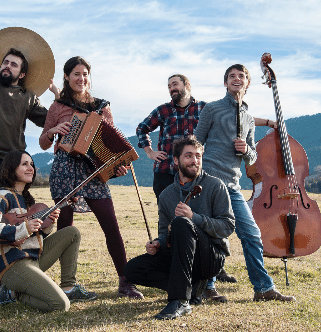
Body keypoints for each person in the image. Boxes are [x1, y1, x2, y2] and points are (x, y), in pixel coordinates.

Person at [136, 73, 276, 294]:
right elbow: (142, 128)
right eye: (169, 84)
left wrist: (266, 124)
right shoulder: (163, 110)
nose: (172, 87)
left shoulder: (204, 108)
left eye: (175, 83)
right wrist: (150, 152)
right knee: (177, 226)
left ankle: (238, 281)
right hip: (169, 174)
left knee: (210, 226)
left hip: (207, 177)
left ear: (187, 86)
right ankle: (188, 276)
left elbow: (238, 118)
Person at [39, 56, 143, 299]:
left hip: (93, 172)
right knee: (65, 227)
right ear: (67, 77)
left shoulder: (102, 106)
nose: (81, 78)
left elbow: (111, 145)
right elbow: (44, 143)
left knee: (111, 227)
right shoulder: (57, 106)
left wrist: (118, 167)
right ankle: (67, 284)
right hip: (64, 170)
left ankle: (125, 281)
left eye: (85, 73)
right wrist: (53, 131)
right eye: (76, 73)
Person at [195, 64, 296, 302]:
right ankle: (208, 288)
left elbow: (252, 158)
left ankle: (263, 289)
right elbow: (197, 143)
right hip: (209, 181)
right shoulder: (212, 109)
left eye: (241, 76)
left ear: (247, 83)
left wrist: (247, 149)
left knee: (251, 235)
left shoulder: (249, 118)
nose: (236, 79)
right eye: (232, 76)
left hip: (233, 185)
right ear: (225, 83)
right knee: (213, 236)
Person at [0, 39, 51, 297]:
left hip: (9, 167)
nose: (7, 66)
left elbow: (50, 122)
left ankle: (0, 285)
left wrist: (60, 99)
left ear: (22, 73)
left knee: (6, 224)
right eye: (5, 62)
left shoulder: (29, 98)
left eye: (13, 64)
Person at [124, 136, 235, 320]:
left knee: (182, 223)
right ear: (176, 160)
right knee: (132, 269)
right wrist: (158, 244)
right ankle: (189, 288)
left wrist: (194, 217)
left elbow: (228, 226)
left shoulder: (215, 186)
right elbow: (163, 231)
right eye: (189, 156)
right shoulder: (167, 195)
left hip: (209, 257)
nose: (195, 161)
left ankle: (180, 300)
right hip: (179, 257)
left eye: (198, 156)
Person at [0, 150, 96, 311]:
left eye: (32, 164)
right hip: (13, 265)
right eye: (24, 164)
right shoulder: (1, 196)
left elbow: (35, 235)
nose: (31, 168)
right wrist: (22, 229)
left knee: (72, 233)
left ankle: (68, 288)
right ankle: (13, 293)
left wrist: (48, 224)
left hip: (33, 258)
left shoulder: (27, 198)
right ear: (11, 167)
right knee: (60, 305)